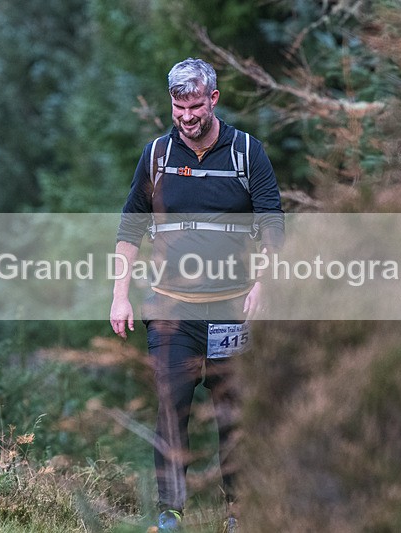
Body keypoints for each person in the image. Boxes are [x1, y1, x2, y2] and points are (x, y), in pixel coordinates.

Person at [110, 58, 284, 532]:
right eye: (178, 106)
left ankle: (238, 513)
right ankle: (170, 514)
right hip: (169, 309)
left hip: (231, 311)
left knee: (233, 415)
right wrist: (119, 295)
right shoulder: (157, 156)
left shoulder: (248, 153)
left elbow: (272, 224)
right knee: (171, 408)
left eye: (194, 106)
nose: (186, 116)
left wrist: (265, 283)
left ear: (213, 100)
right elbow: (131, 226)